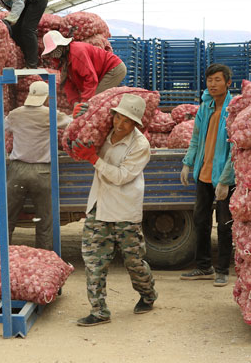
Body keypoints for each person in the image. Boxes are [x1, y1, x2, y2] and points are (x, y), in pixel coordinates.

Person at [72, 93, 158, 326]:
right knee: (94, 261)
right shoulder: (103, 132)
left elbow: (121, 177)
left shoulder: (140, 145)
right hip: (99, 206)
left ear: (135, 124)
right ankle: (99, 311)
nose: (120, 124)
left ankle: (148, 294)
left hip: (124, 211)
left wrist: (94, 160)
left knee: (133, 261)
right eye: (118, 117)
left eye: (127, 121)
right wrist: (79, 119)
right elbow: (79, 138)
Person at [0, 81, 72, 250]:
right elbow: (71, 123)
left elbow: (2, 127)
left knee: (7, 218)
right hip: (42, 172)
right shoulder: (50, 114)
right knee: (45, 221)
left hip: (17, 170)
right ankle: (44, 255)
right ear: (45, 97)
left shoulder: (15, 114)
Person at [179, 63, 236, 287]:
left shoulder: (233, 109)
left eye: (217, 80)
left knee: (224, 224)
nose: (213, 84)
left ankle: (222, 270)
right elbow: (196, 138)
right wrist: (187, 163)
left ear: (228, 83)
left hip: (223, 176)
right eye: (210, 80)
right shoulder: (205, 107)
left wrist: (226, 180)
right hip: (204, 173)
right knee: (200, 220)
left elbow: (235, 148)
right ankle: (204, 266)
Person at [41, 30, 127, 106]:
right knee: (92, 102)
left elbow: (90, 79)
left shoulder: (77, 53)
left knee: (94, 101)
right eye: (51, 52)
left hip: (113, 69)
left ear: (61, 46)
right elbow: (67, 83)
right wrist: (75, 102)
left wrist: (84, 102)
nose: (53, 54)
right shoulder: (61, 61)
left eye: (54, 50)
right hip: (100, 74)